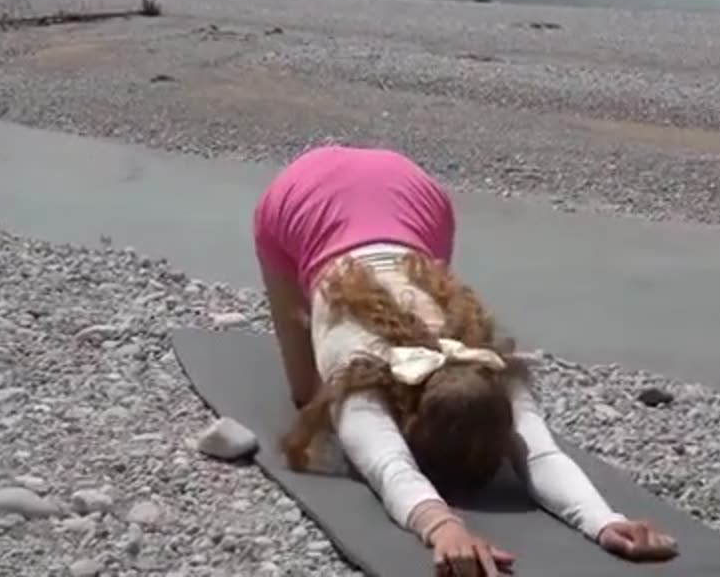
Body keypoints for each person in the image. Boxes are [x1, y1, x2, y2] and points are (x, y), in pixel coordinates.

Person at [253, 145, 677, 576]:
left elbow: (540, 455)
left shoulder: (485, 366)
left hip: (415, 199)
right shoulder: (355, 365)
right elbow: (388, 465)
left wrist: (604, 522)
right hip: (302, 194)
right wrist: (442, 526)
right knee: (307, 395)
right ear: (401, 419)